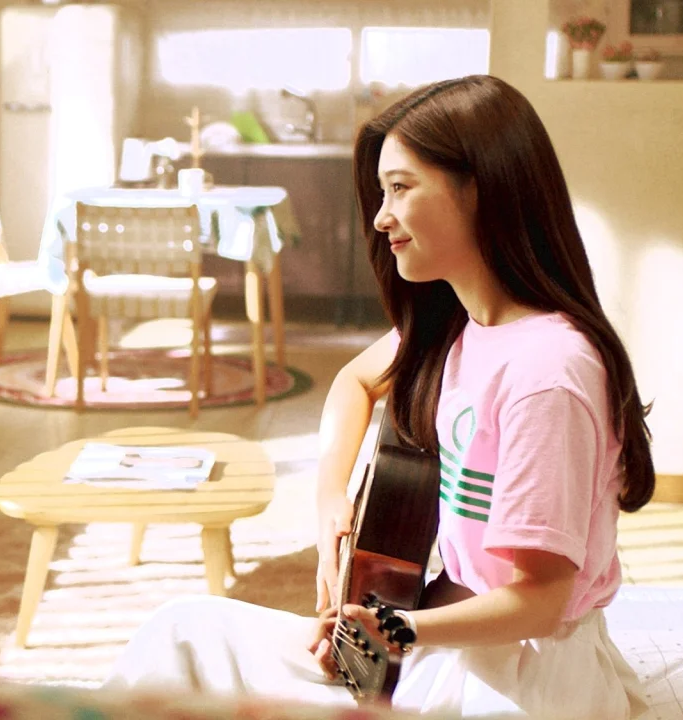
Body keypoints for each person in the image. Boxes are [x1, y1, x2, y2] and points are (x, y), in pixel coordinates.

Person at [103, 74, 654, 718]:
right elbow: (354, 382)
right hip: (441, 638)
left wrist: (394, 631)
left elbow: (540, 602)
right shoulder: (462, 327)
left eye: (400, 188)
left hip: (522, 682)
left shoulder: (547, 374)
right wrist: (331, 502)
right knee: (181, 631)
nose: (379, 216)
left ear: (479, 189)